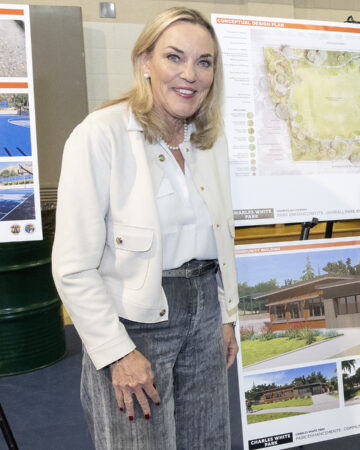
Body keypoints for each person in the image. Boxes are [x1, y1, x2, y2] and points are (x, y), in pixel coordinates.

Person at [51, 7, 239, 449]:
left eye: (204, 61)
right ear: (144, 63)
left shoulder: (210, 139)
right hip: (134, 321)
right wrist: (117, 352)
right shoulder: (100, 135)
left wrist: (226, 316)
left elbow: (221, 237)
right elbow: (73, 267)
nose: (189, 74)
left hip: (205, 311)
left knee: (207, 442)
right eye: (174, 57)